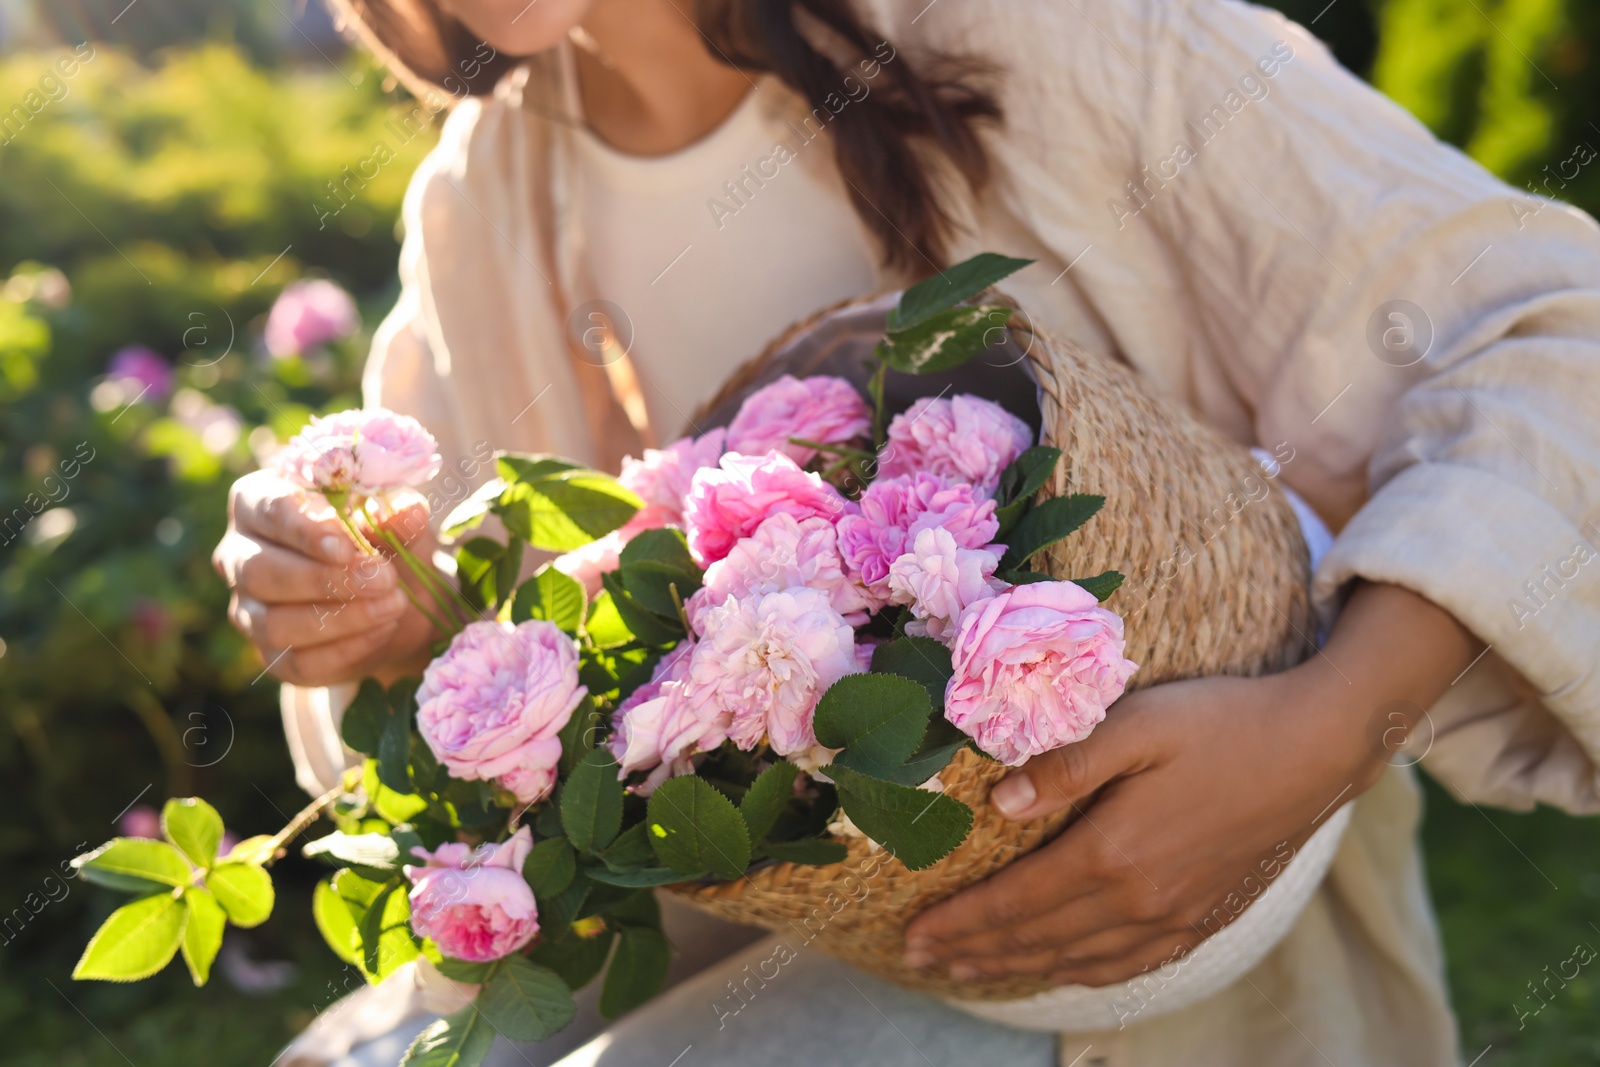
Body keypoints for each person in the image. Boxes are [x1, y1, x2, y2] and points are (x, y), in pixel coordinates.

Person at [212, 0, 1600, 1063]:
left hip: (1132, 923)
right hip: (742, 901)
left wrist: (1330, 725)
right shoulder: (484, 198)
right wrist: (387, 623)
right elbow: (474, 683)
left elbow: (1550, 335)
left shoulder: (1049, 34)